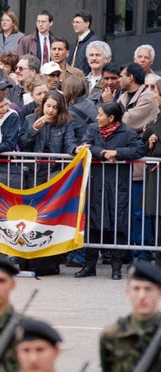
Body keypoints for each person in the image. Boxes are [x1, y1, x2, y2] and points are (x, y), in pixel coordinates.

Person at [74, 102, 145, 280]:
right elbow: (85, 145)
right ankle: (89, 266)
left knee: (118, 225)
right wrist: (104, 153)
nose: (97, 117)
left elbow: (139, 149)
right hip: (96, 183)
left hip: (118, 184)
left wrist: (117, 152)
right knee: (93, 224)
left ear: (111, 118)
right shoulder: (92, 129)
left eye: (100, 114)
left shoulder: (127, 132)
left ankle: (116, 268)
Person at [100, 263, 161, 372]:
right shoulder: (111, 336)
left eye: (148, 289)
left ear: (159, 292)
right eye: (136, 288)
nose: (142, 296)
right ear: (127, 292)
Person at [117, 62, 159, 264]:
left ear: (130, 78)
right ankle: (128, 249)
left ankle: (143, 251)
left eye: (121, 76)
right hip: (127, 163)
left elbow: (121, 122)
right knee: (126, 209)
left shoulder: (147, 98)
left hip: (141, 165)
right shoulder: (124, 96)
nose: (119, 79)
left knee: (140, 210)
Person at [20, 90, 77, 187]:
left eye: (55, 107)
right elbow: (22, 143)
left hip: (55, 168)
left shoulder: (65, 123)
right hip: (34, 169)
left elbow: (69, 142)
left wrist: (75, 149)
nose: (50, 110)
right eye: (48, 106)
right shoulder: (30, 119)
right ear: (43, 105)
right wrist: (34, 129)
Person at [142, 78, 161, 268]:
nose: (154, 95)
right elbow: (145, 147)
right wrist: (150, 143)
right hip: (155, 180)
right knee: (156, 224)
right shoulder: (157, 119)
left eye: (157, 91)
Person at [68, 10, 101, 75]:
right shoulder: (77, 42)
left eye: (78, 22)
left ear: (87, 24)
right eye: (73, 22)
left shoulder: (94, 42)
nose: (74, 25)